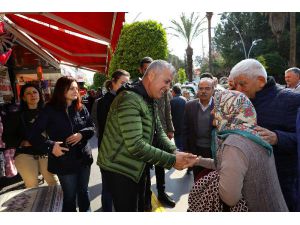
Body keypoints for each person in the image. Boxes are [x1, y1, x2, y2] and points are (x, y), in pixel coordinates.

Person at [97, 60, 197, 212]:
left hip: (137, 166)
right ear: (151, 75)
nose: (168, 87)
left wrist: (174, 151)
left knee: (141, 206)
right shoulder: (129, 98)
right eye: (166, 81)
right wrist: (171, 160)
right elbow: (135, 145)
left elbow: (158, 131)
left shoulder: (148, 98)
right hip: (119, 170)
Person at [189, 90, 288, 212]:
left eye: (217, 107)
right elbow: (226, 165)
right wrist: (198, 161)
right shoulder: (252, 132)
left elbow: (229, 198)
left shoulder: (234, 144)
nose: (213, 112)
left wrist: (213, 181)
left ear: (229, 111)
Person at [229, 58, 300, 211]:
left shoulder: (293, 100)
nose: (239, 90)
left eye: (242, 84)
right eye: (235, 85)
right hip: (249, 185)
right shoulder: (239, 102)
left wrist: (278, 137)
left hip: (283, 186)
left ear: (260, 81)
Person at [29, 76, 95, 212]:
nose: (76, 91)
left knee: (83, 192)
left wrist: (81, 134)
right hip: (63, 161)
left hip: (83, 159)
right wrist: (51, 146)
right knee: (69, 197)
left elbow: (92, 127)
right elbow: (33, 134)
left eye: (77, 88)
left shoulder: (81, 108)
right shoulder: (49, 110)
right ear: (61, 89)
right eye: (71, 88)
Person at [3, 83, 58, 188]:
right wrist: (22, 142)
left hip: (45, 152)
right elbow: (6, 137)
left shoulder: (47, 112)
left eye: (35, 92)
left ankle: (58, 205)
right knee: (32, 186)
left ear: (39, 95)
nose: (32, 95)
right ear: (23, 98)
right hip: (25, 154)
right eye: (28, 93)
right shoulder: (16, 115)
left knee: (55, 184)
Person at [139, 57, 176, 210]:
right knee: (145, 168)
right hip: (145, 135)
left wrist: (170, 129)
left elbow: (168, 110)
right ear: (142, 71)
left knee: (161, 167)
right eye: (147, 69)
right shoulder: (138, 90)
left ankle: (162, 193)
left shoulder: (165, 90)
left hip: (160, 133)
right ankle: (146, 197)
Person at [92, 69, 130, 212]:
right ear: (113, 83)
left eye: (128, 84)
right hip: (110, 152)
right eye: (122, 83)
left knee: (117, 187)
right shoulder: (103, 102)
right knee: (108, 187)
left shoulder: (126, 99)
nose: (125, 87)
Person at [182, 78, 214, 181]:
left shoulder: (220, 106)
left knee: (213, 180)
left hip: (213, 151)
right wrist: (186, 150)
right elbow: (185, 129)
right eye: (201, 88)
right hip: (196, 150)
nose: (203, 91)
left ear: (213, 90)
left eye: (207, 88)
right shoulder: (189, 106)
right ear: (197, 90)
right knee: (198, 179)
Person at [170, 85, 187, 151]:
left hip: (176, 126)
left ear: (173, 92)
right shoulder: (185, 99)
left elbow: (169, 114)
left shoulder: (172, 101)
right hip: (184, 125)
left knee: (178, 144)